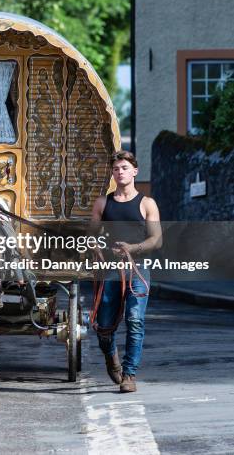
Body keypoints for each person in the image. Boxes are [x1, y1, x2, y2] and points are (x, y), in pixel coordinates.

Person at [90, 150, 162, 393]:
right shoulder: (103, 203)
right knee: (104, 326)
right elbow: (91, 236)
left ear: (134, 171)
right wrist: (96, 246)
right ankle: (112, 357)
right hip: (110, 268)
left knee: (135, 320)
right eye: (116, 169)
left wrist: (134, 248)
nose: (119, 172)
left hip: (138, 268)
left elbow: (157, 240)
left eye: (124, 168)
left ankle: (129, 374)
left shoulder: (147, 203)